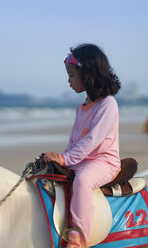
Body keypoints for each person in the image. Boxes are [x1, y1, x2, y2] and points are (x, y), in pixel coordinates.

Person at [43, 43, 121, 248]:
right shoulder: (82, 107)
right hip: (82, 159)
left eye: (71, 75)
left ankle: (78, 237)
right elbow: (74, 141)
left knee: (83, 181)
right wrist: (62, 157)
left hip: (103, 162)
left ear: (87, 74)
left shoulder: (108, 105)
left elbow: (92, 140)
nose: (68, 81)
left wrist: (66, 159)